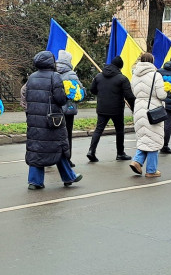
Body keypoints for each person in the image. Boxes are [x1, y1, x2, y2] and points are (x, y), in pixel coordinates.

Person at [25, 50, 81, 189]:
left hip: (34, 119)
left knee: (36, 148)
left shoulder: (32, 77)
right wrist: (68, 95)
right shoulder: (54, 76)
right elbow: (60, 99)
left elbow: (27, 97)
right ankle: (69, 176)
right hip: (52, 120)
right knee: (59, 146)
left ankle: (35, 181)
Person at [87, 55, 134, 162]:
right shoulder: (122, 79)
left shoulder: (99, 76)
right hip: (116, 109)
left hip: (102, 107)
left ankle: (91, 151)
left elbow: (92, 90)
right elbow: (129, 96)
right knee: (119, 130)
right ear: (120, 67)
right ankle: (120, 153)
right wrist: (133, 108)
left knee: (98, 129)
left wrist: (102, 93)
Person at [128, 52, 167, 178]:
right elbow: (161, 95)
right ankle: (151, 170)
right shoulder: (156, 75)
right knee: (154, 139)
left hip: (138, 108)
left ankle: (137, 161)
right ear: (152, 61)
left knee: (144, 137)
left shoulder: (134, 75)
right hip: (153, 109)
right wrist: (168, 90)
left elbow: (134, 92)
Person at [56, 49, 80, 163]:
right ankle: (67, 159)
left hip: (55, 108)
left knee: (55, 134)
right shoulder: (71, 74)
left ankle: (53, 157)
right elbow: (79, 90)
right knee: (67, 134)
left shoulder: (53, 72)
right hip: (68, 109)